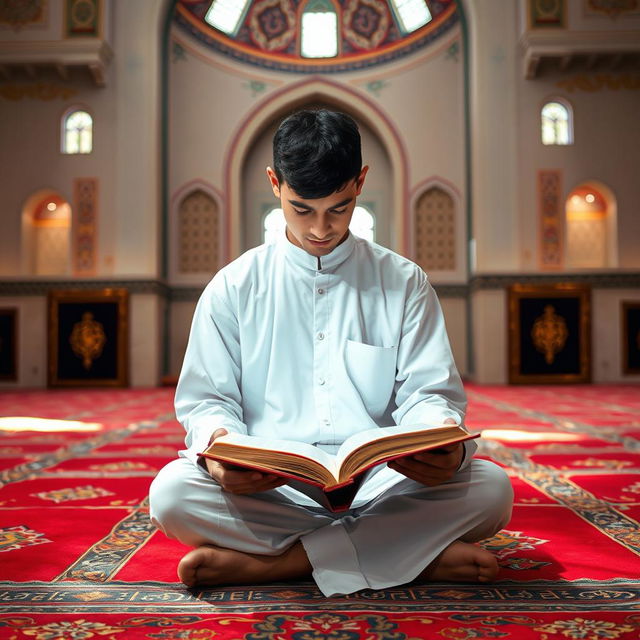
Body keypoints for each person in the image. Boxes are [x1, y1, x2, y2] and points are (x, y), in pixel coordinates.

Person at [149, 109, 513, 597]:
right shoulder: (233, 287)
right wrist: (222, 451)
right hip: (273, 489)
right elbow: (207, 401)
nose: (321, 228)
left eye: (338, 209)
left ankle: (281, 565)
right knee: (171, 494)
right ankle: (409, 557)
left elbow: (429, 394)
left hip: (383, 485)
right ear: (274, 183)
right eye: (302, 209)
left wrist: (441, 440)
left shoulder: (404, 283)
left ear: (360, 182)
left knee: (491, 490)